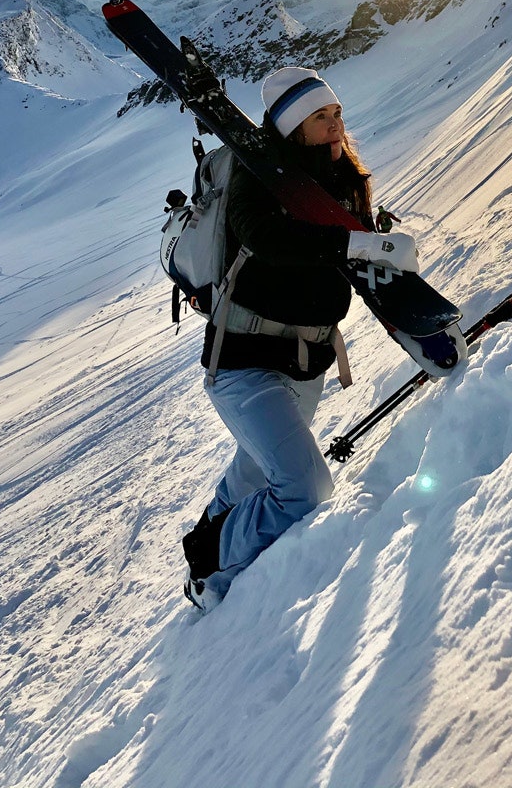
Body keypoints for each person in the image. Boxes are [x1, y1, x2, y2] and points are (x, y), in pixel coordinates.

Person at [181, 66, 418, 612]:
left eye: (336, 113)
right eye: (320, 118)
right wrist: (352, 244)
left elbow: (351, 257)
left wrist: (378, 247)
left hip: (306, 363)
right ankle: (206, 560)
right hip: (243, 362)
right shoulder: (257, 173)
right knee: (304, 489)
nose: (336, 126)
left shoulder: (348, 179)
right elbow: (266, 237)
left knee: (255, 469)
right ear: (292, 129)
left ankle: (209, 568)